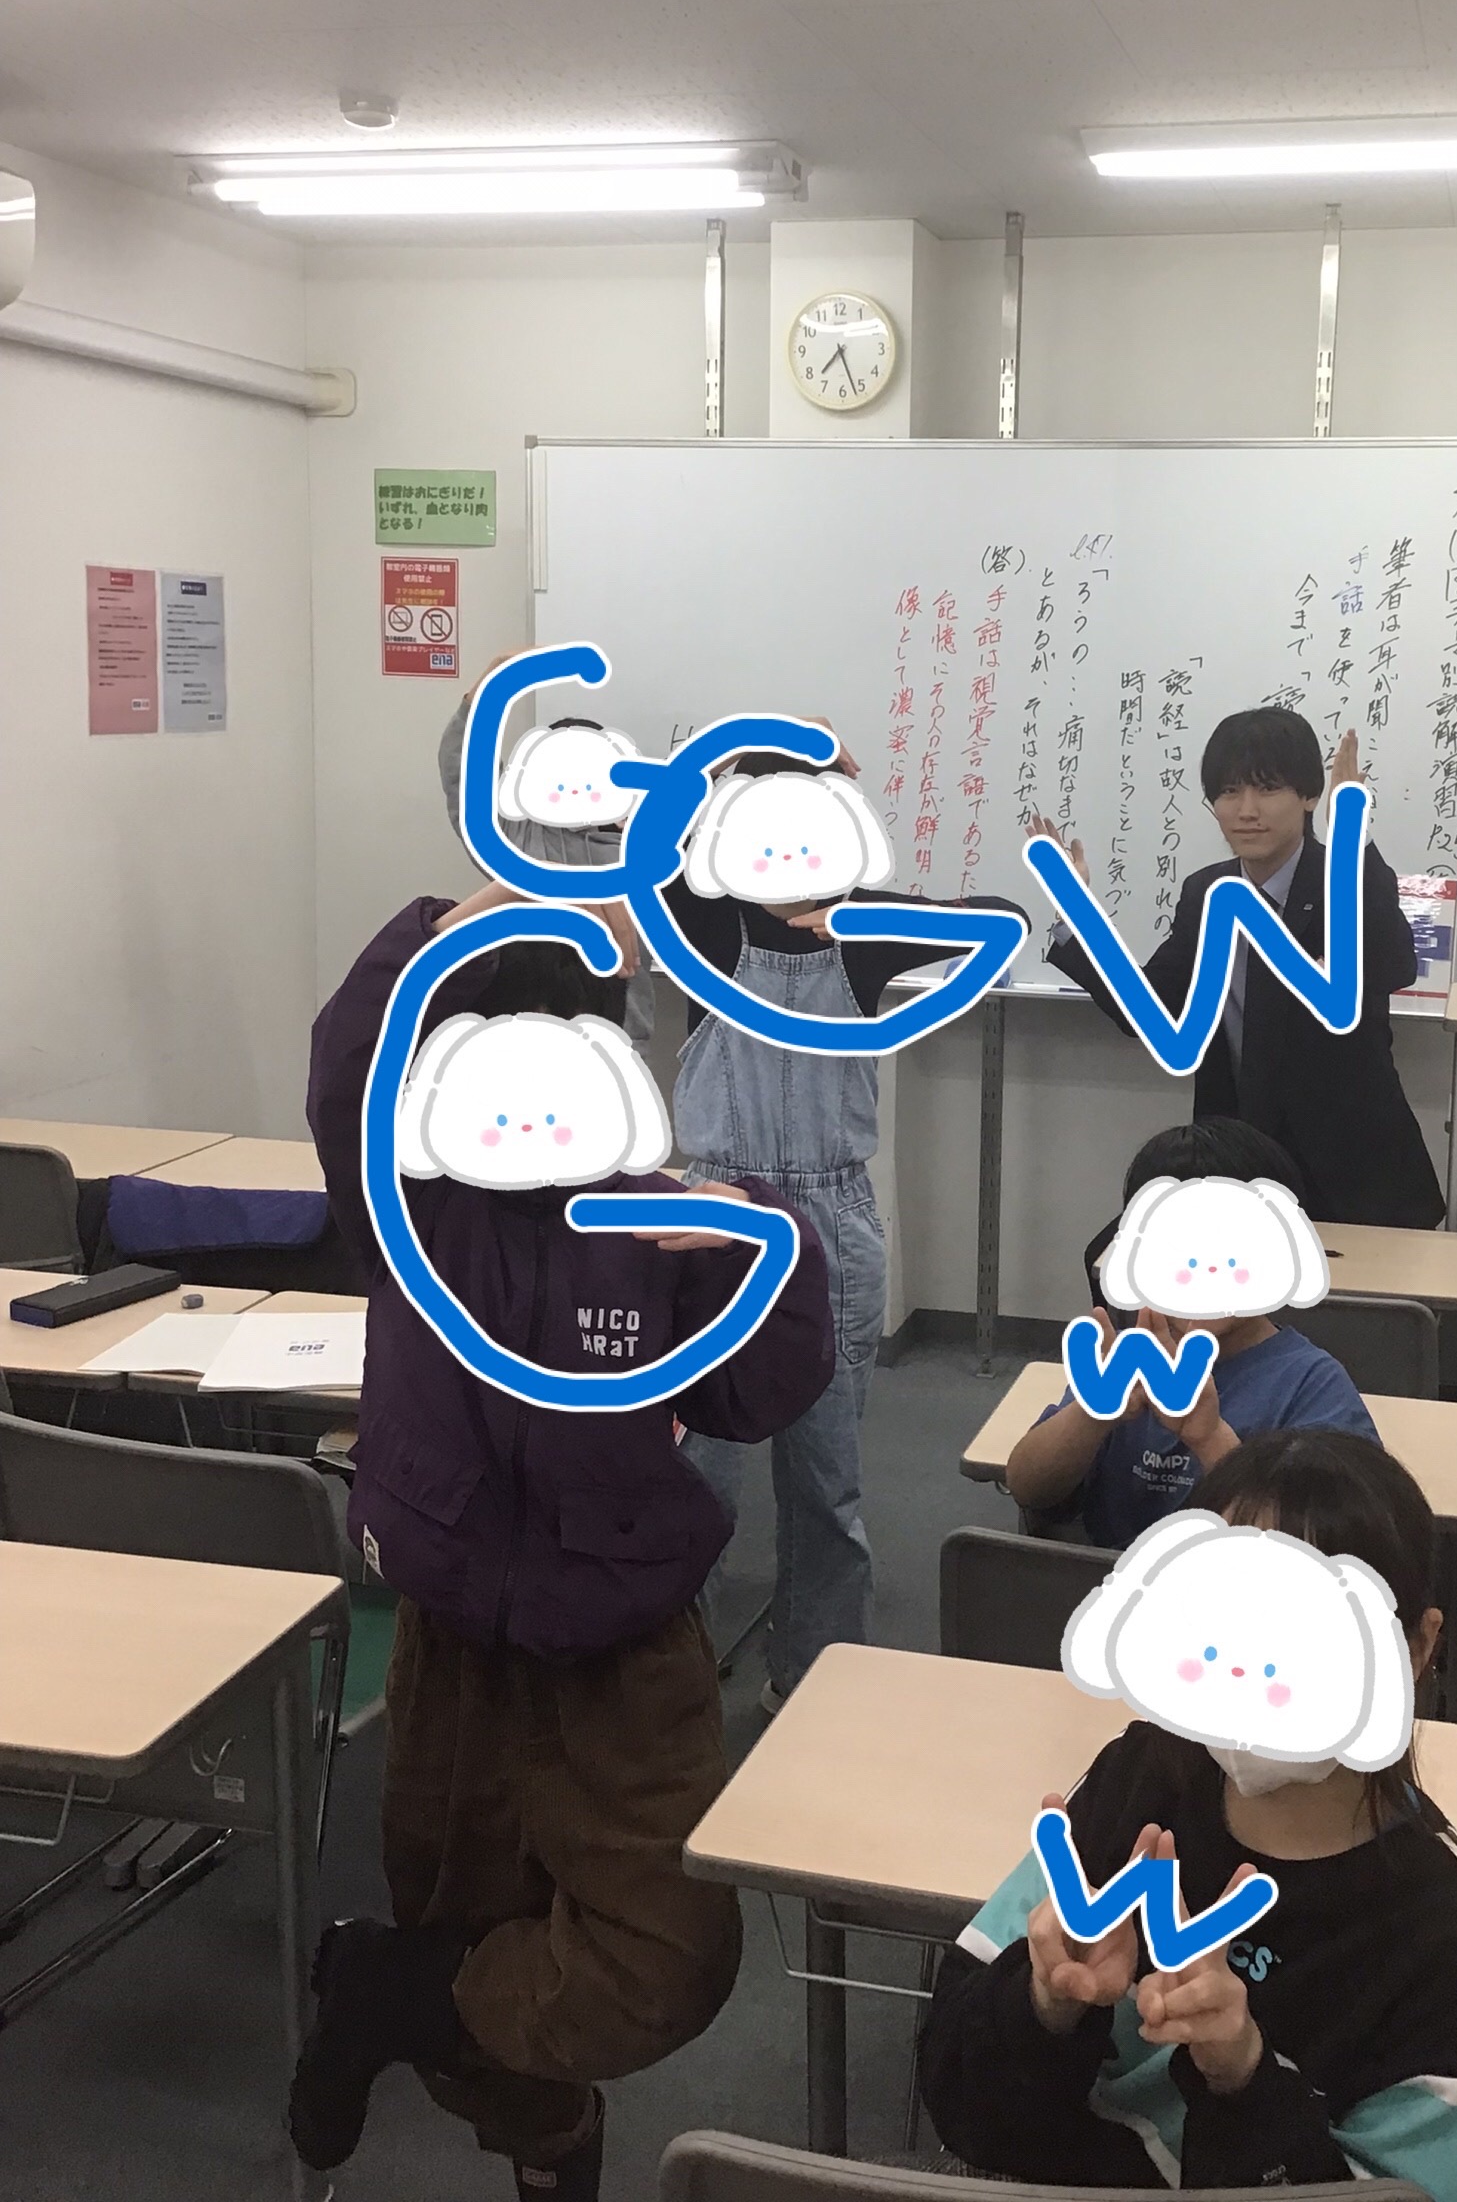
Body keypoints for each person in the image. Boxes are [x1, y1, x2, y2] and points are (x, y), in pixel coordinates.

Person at [291, 878, 836, 2200]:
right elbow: (347, 1061)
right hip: (456, 1638)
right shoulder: (411, 1206)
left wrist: (767, 1243)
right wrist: (445, 926)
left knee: (667, 1957)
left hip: (623, 1646)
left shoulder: (654, 1216)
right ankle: (545, 2145)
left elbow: (760, 1392)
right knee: (469, 1915)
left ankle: (385, 1990)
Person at [919, 1431, 1457, 2199]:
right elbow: (960, 2101)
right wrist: (1044, 2004)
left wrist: (1242, 2075)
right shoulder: (1136, 1778)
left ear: (1416, 1648)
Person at [663, 746, 1027, 1714]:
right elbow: (656, 832)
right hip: (718, 1217)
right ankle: (669, 1678)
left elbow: (1004, 921)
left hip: (830, 1222)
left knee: (824, 1479)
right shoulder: (704, 918)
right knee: (696, 1469)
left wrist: (867, 914)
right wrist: (759, 748)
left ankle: (813, 1679)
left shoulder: (860, 933)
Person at [1034, 709, 1444, 1230]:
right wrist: (1075, 917)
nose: (1247, 811)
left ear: (1309, 797)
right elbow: (1150, 1006)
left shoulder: (1341, 879)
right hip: (1238, 1167)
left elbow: (1393, 963)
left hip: (1354, 1177)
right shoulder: (1206, 892)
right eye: (1229, 792)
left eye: (1267, 789)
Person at [1005, 1120, 1377, 1546]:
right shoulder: (1129, 1356)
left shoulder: (1312, 1383)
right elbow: (1027, 1487)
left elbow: (1330, 1544)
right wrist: (1090, 1416)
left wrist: (1211, 1439)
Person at [440, 672, 655, 1053]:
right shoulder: (515, 838)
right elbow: (466, 772)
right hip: (522, 1030)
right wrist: (479, 698)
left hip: (619, 1038)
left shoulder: (639, 854)